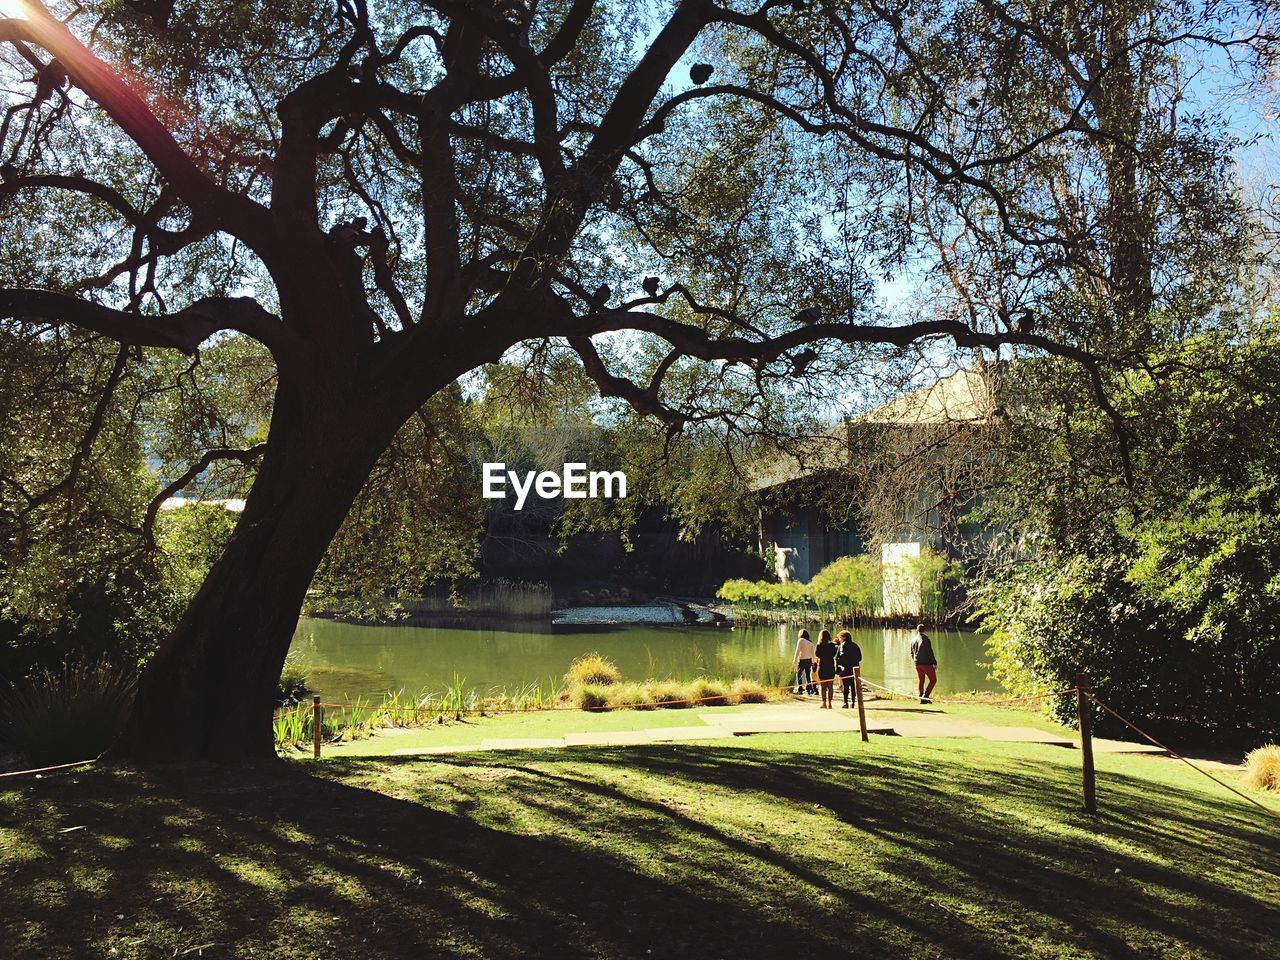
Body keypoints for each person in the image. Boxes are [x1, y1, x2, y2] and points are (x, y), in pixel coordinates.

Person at [911, 623, 938, 704]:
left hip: (917, 663)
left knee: (921, 680)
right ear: (924, 630)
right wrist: (934, 663)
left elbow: (911, 653)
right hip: (926, 663)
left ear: (917, 630)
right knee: (933, 680)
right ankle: (925, 696)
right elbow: (930, 653)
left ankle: (921, 697)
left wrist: (915, 660)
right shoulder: (926, 640)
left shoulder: (913, 639)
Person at [836, 630, 862, 708]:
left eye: (840, 638)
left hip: (845, 669)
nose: (839, 640)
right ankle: (853, 702)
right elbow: (860, 658)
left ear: (844, 637)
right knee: (853, 686)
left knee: (845, 686)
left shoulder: (842, 646)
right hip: (854, 669)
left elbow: (838, 658)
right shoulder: (856, 646)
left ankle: (845, 702)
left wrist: (839, 667)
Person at [813, 629, 838, 709]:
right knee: (830, 686)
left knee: (823, 687)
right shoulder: (832, 645)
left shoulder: (819, 646)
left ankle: (824, 703)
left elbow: (817, 654)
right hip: (830, 666)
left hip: (823, 666)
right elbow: (834, 654)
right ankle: (830, 703)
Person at [792, 629, 816, 695]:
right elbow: (813, 654)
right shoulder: (810, 642)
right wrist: (814, 662)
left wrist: (794, 659)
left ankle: (800, 688)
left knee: (799, 674)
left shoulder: (800, 640)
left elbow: (797, 651)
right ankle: (809, 688)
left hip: (802, 660)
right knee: (808, 675)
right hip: (809, 660)